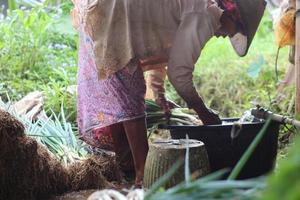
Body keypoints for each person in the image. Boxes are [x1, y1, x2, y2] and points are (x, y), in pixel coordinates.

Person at [71, 0, 266, 187]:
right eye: (237, 31)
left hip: (105, 10)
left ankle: (126, 166)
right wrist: (202, 110)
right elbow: (179, 73)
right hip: (113, 14)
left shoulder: (203, 8)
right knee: (129, 94)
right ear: (233, 16)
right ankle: (145, 175)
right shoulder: (204, 14)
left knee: (119, 93)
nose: (227, 36)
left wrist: (162, 95)